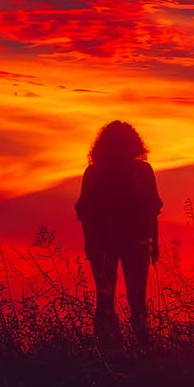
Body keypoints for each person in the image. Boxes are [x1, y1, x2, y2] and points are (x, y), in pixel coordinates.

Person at [76, 120, 161, 340]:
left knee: (104, 297)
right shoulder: (143, 170)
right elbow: (153, 209)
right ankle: (142, 345)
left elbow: (84, 211)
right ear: (134, 143)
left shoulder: (94, 172)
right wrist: (155, 242)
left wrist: (90, 244)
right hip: (137, 242)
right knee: (137, 298)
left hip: (103, 242)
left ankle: (105, 346)